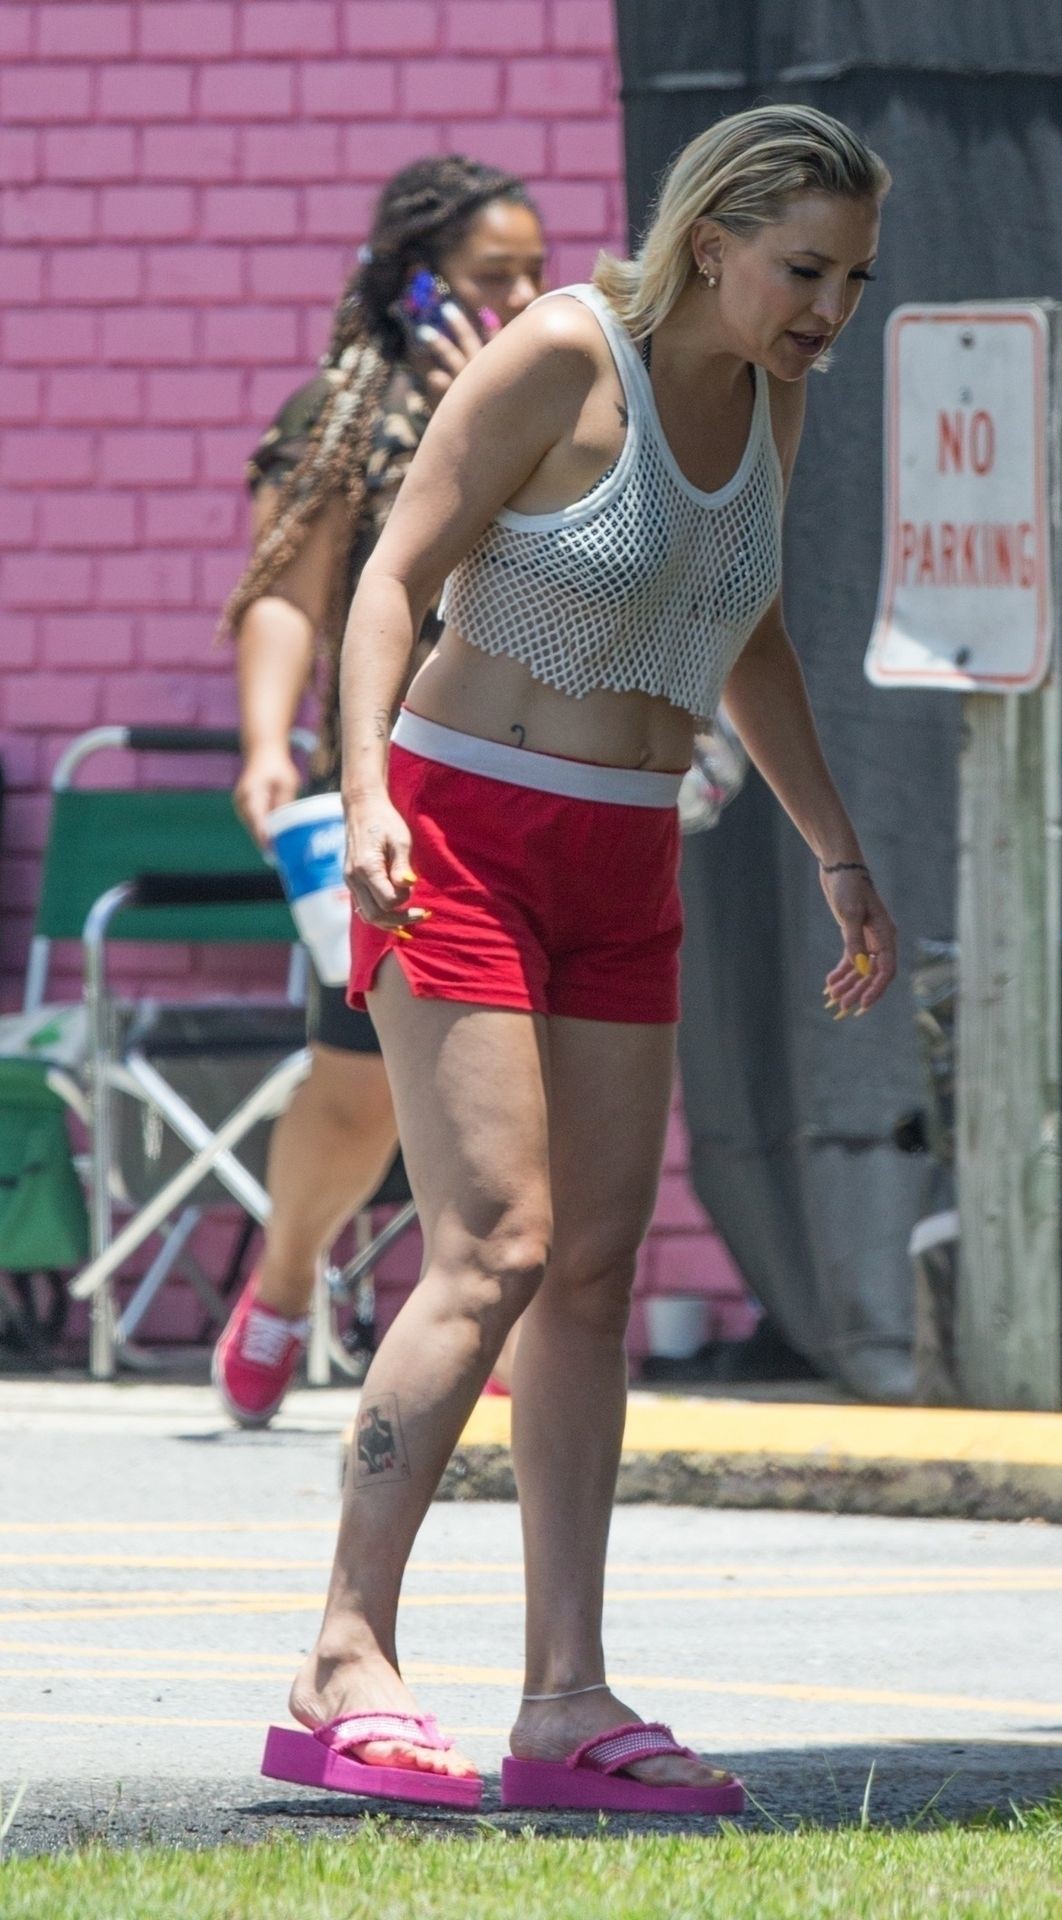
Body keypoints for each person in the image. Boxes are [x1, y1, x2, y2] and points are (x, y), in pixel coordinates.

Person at [263, 105, 897, 1813]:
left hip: (626, 850)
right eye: (805, 271)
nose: (830, 309)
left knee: (596, 1275)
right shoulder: (562, 352)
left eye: (853, 279)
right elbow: (391, 579)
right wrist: (364, 791)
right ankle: (341, 1658)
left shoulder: (772, 397)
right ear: (713, 240)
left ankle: (565, 1699)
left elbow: (747, 629)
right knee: (497, 1246)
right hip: (458, 830)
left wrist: (838, 849)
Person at [212, 157, 545, 1427]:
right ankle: (286, 1277)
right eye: (491, 277)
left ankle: (490, 1320)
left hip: (542, 774)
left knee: (543, 1078)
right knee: (359, 1093)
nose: (522, 298)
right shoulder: (346, 415)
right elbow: (289, 595)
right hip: (391, 793)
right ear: (416, 286)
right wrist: (265, 743)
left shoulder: (565, 398)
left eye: (534, 272)